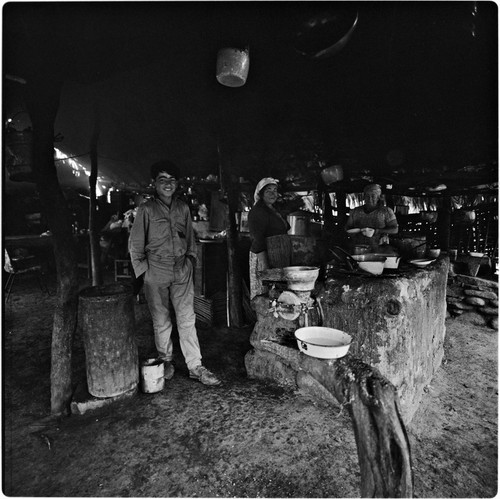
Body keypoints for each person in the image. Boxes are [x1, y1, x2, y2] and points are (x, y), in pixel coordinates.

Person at [129, 160, 221, 386]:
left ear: (177, 183)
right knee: (161, 319)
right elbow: (135, 244)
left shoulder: (182, 208)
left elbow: (190, 238)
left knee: (187, 318)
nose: (168, 184)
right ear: (155, 183)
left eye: (172, 180)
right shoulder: (146, 209)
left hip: (181, 269)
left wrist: (190, 260)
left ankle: (195, 365)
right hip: (155, 270)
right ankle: (165, 360)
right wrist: (144, 273)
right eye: (163, 180)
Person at [247, 177, 291, 299]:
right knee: (264, 294)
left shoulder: (273, 210)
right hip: (263, 256)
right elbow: (258, 239)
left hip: (276, 255)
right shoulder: (257, 212)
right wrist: (265, 268)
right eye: (268, 191)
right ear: (260, 194)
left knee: (277, 295)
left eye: (275, 190)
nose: (273, 194)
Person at [344, 183, 399, 253]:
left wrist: (378, 231)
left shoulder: (386, 211)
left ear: (378, 197)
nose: (370, 199)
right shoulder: (355, 211)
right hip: (359, 248)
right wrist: (354, 231)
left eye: (373, 196)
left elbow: (395, 229)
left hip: (379, 248)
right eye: (367, 196)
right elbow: (347, 227)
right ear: (364, 197)